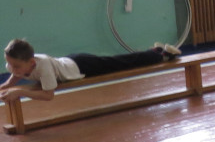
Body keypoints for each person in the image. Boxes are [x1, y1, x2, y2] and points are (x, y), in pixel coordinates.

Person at [1, 38, 181, 102]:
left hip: (83, 66)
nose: (12, 69)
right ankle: (155, 52)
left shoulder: (44, 66)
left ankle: (160, 54)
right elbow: (14, 77)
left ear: (31, 62)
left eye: (16, 66)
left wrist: (20, 92)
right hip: (70, 61)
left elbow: (49, 95)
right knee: (120, 61)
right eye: (9, 64)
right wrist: (6, 86)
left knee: (121, 63)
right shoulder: (17, 64)